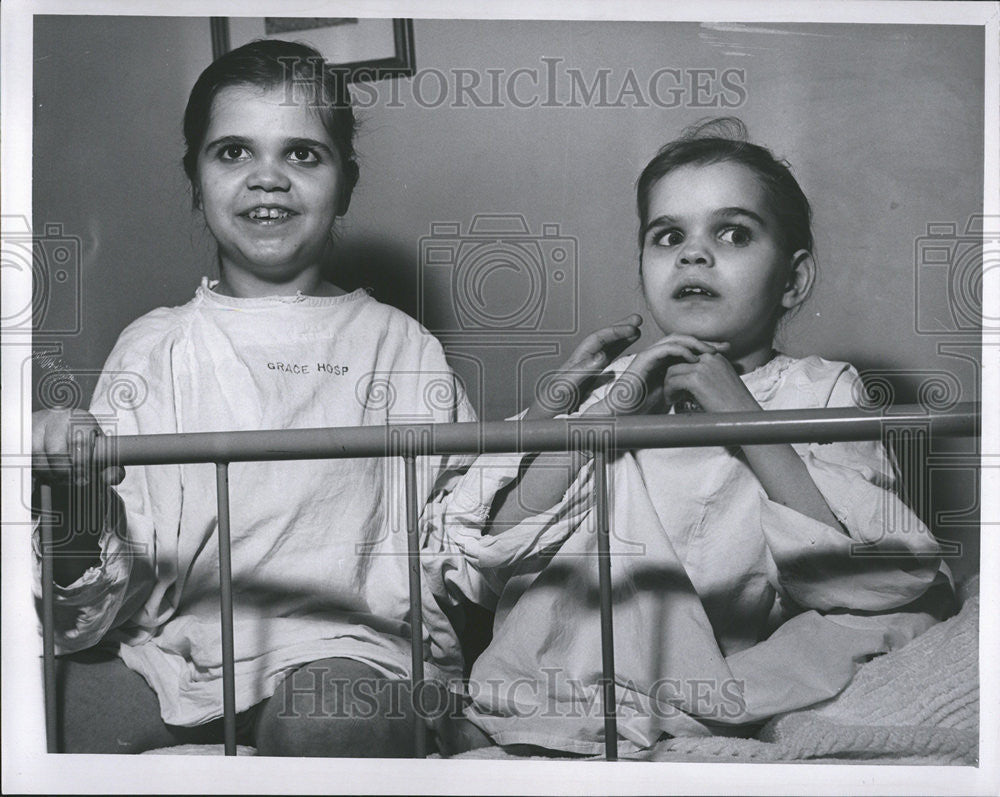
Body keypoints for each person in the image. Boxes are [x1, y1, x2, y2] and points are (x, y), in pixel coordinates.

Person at [430, 118, 953, 756]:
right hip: (577, 658)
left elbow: (864, 572)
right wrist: (603, 417)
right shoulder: (619, 385)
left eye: (732, 233)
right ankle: (524, 724)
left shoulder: (821, 389)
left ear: (793, 281)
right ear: (643, 268)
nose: (693, 254)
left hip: (729, 667)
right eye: (668, 235)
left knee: (906, 616)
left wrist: (740, 417)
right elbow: (492, 547)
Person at [31, 39, 476, 756]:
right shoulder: (154, 348)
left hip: (354, 649)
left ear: (347, 184)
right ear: (195, 180)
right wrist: (73, 500)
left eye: (302, 154)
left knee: (321, 718)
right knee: (33, 700)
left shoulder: (402, 346)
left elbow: (460, 543)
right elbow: (100, 592)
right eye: (233, 153)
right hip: (182, 656)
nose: (267, 179)